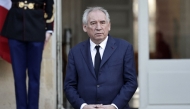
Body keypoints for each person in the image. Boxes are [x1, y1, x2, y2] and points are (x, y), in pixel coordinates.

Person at [64, 6, 138, 109]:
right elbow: (69, 86)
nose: (98, 27)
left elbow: (131, 82)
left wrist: (113, 106)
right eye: (93, 23)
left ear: (109, 26)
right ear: (85, 27)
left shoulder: (124, 48)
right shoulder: (75, 52)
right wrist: (83, 106)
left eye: (102, 22)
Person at [1, 0, 54, 109]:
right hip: (15, 27)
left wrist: (49, 29)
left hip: (36, 27)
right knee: (19, 76)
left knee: (34, 76)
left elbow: (49, 3)